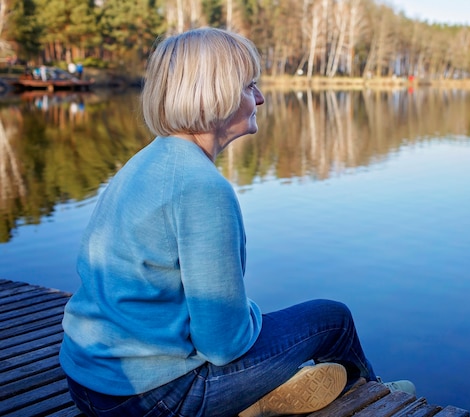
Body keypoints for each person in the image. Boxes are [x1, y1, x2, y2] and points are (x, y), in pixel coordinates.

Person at [60, 27, 415, 417]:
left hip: (88, 384)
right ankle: (375, 396)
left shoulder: (145, 162)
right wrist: (250, 315)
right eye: (250, 86)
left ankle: (269, 393)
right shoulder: (202, 188)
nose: (260, 97)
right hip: (154, 400)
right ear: (217, 93)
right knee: (333, 320)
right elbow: (223, 344)